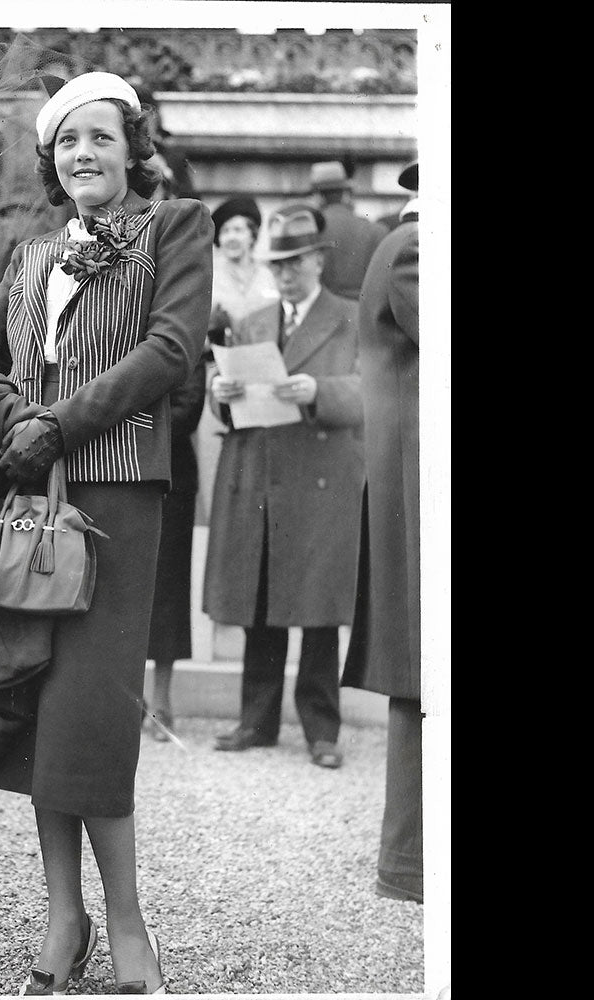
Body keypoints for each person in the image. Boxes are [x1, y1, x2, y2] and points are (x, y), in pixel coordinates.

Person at [0, 70, 213, 995]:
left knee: (91, 715)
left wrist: (62, 421)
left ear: (133, 147)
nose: (84, 154)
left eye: (101, 137)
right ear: (51, 156)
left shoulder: (174, 227)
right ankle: (62, 922)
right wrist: (7, 422)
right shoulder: (29, 253)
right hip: (25, 504)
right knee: (33, 712)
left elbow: (171, 349)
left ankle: (127, 924)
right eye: (68, 141)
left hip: (115, 502)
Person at [202, 204, 364, 768]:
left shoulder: (353, 317)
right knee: (261, 601)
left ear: (319, 260)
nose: (286, 272)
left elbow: (373, 394)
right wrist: (218, 394)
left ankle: (323, 729)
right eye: (279, 263)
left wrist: (318, 389)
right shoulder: (254, 321)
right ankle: (257, 720)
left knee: (318, 611)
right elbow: (230, 402)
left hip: (320, 482)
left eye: (296, 261)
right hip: (266, 477)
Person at [341, 159, 422, 903]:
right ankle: (412, 865)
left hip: (417, 492)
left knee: (424, 681)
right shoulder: (417, 248)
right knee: (423, 679)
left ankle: (416, 864)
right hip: (419, 498)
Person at [143, 353, 207, 741]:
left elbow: (187, 410)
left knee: (167, 595)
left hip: (171, 480)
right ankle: (122, 700)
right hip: (117, 473)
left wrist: (125, 420)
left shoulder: (187, 345)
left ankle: (162, 703)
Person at [308, 160, 388, 301]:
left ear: (318, 197)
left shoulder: (310, 232)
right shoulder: (377, 231)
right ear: (345, 194)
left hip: (323, 315)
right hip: (363, 315)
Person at [207, 196, 279, 340]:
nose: (231, 237)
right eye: (225, 231)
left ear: (252, 235)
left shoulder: (268, 275)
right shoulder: (210, 278)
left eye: (238, 230)